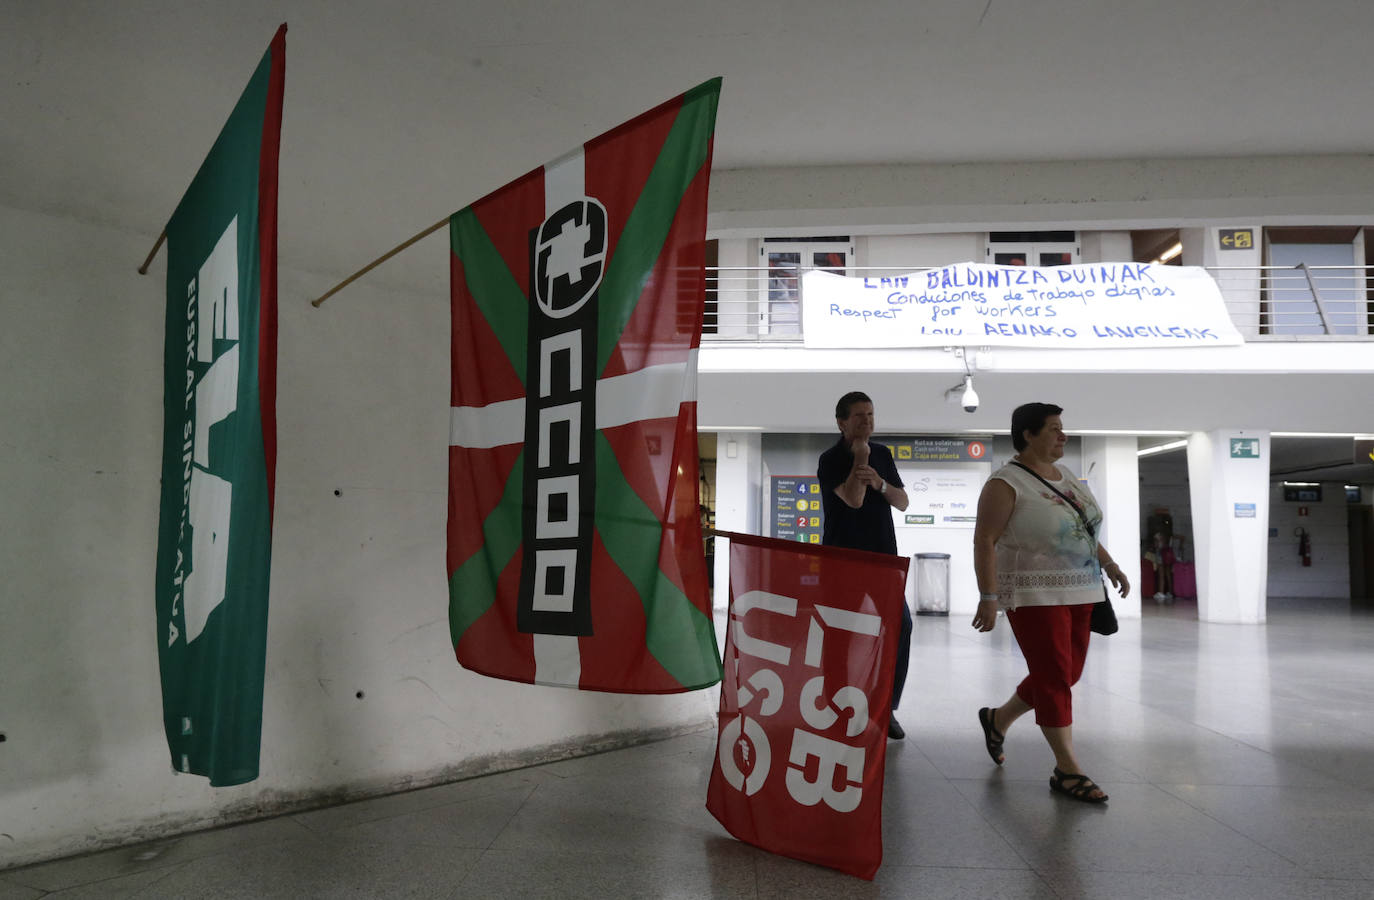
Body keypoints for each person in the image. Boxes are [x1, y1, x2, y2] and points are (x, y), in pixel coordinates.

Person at [970, 403, 1129, 803]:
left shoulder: (1070, 479)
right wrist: (988, 596)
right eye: (1055, 429)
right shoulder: (1005, 483)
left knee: (1066, 673)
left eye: (1063, 429)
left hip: (1084, 590)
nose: (1064, 436)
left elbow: (1084, 528)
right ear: (1028, 434)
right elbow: (984, 540)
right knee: (1055, 676)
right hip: (1033, 592)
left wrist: (1109, 564)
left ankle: (998, 719)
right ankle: (1067, 769)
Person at [817, 391, 911, 739]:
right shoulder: (829, 460)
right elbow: (854, 501)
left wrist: (881, 482)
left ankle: (886, 707)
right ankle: (836, 705)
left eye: (870, 414)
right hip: (842, 561)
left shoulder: (883, 454)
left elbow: (902, 501)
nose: (867, 421)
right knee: (839, 636)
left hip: (883, 559)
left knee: (901, 626)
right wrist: (860, 460)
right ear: (842, 422)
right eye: (859, 416)